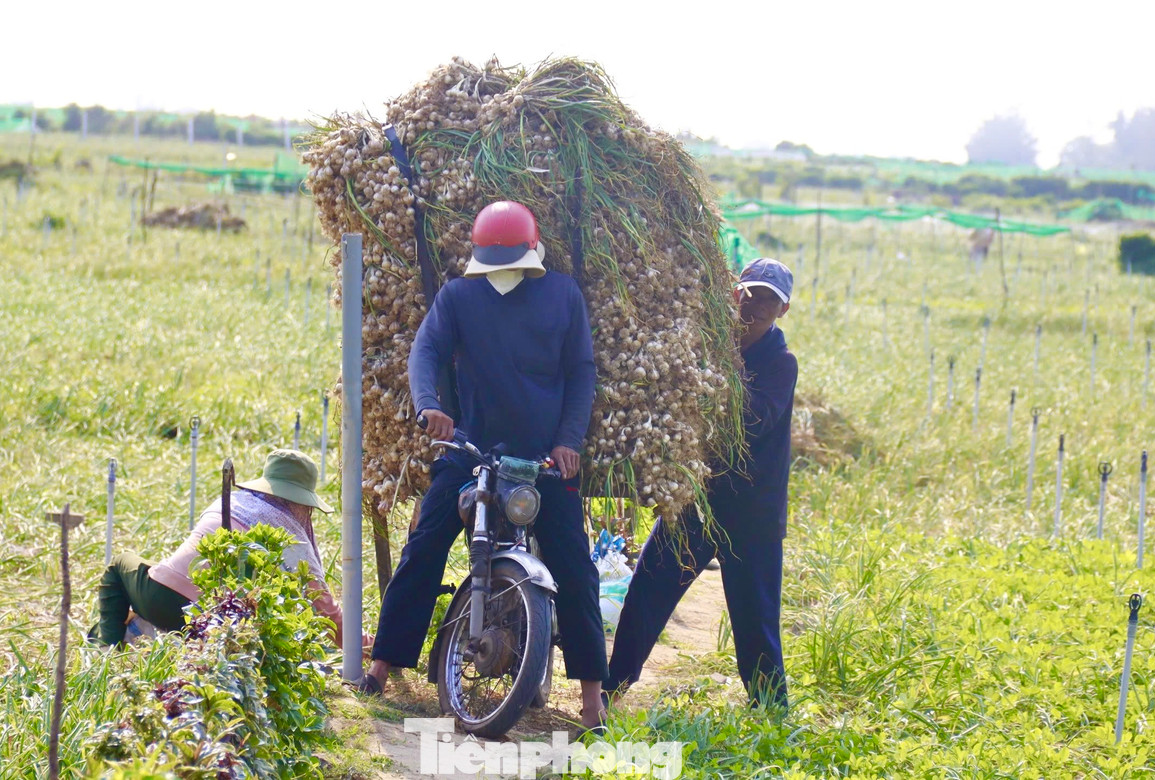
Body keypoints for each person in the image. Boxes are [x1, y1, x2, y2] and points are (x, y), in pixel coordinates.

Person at [355, 200, 608, 731]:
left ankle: (591, 697)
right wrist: (430, 407)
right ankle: (382, 662)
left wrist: (569, 442)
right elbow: (425, 351)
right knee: (425, 545)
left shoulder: (563, 295)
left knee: (576, 566)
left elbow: (581, 371)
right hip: (471, 451)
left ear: (533, 255)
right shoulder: (458, 297)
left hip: (543, 461)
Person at [605, 257, 798, 708]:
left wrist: (713, 375)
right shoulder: (705, 343)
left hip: (753, 515)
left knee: (756, 621)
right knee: (646, 597)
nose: (755, 308)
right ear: (734, 294)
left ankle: (771, 713)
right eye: (750, 295)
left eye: (768, 301)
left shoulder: (780, 364)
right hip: (695, 501)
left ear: (783, 310)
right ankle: (609, 692)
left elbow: (753, 420)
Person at [93, 449, 358, 648]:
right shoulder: (293, 542)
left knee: (121, 562)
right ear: (303, 502)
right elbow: (328, 614)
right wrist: (370, 648)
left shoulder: (232, 502)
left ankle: (107, 645)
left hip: (158, 599)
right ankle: (130, 635)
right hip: (216, 627)